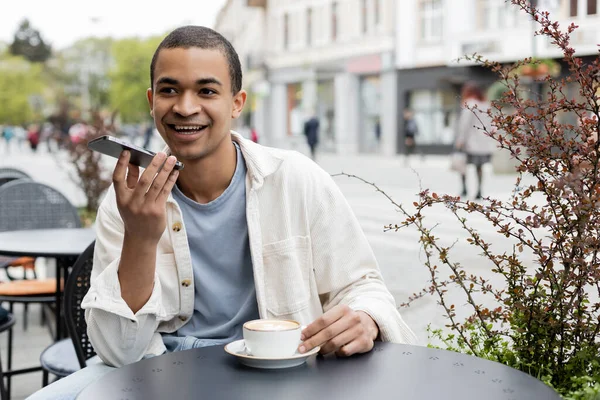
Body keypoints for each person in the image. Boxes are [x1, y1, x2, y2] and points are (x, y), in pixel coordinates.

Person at [27, 25, 415, 399]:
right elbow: (118, 352)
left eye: (206, 90)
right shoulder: (128, 200)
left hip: (273, 370)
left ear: (236, 104)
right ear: (151, 102)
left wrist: (366, 318)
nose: (185, 107)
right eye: (169, 90)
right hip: (159, 370)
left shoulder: (295, 179)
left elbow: (364, 285)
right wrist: (141, 238)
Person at [454, 82, 497, 199]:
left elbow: (464, 124)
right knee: (480, 167)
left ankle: (464, 189)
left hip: (470, 141)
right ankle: (479, 190)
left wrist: (461, 139)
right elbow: (493, 123)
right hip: (484, 142)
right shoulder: (486, 105)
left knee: (462, 163)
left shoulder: (470, 105)